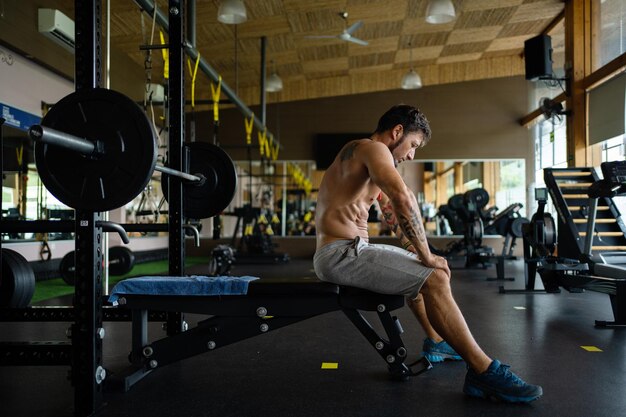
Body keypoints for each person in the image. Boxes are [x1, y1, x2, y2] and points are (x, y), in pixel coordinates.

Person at [313, 104, 542, 403]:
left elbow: (391, 214)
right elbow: (403, 199)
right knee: (433, 276)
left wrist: (415, 251)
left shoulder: (362, 154)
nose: (411, 155)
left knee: (418, 267)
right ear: (397, 132)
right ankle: (484, 372)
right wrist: (427, 254)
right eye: (413, 145)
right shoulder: (374, 149)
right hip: (342, 254)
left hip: (345, 251)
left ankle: (435, 340)